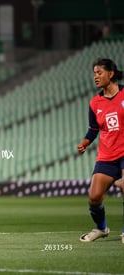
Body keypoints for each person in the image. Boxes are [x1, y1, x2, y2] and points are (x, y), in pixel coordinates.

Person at [77, 58, 124, 243]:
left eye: (99, 72)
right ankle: (101, 228)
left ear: (110, 74)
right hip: (106, 155)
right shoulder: (95, 103)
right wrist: (85, 142)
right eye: (94, 73)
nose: (95, 76)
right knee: (94, 198)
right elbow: (94, 128)